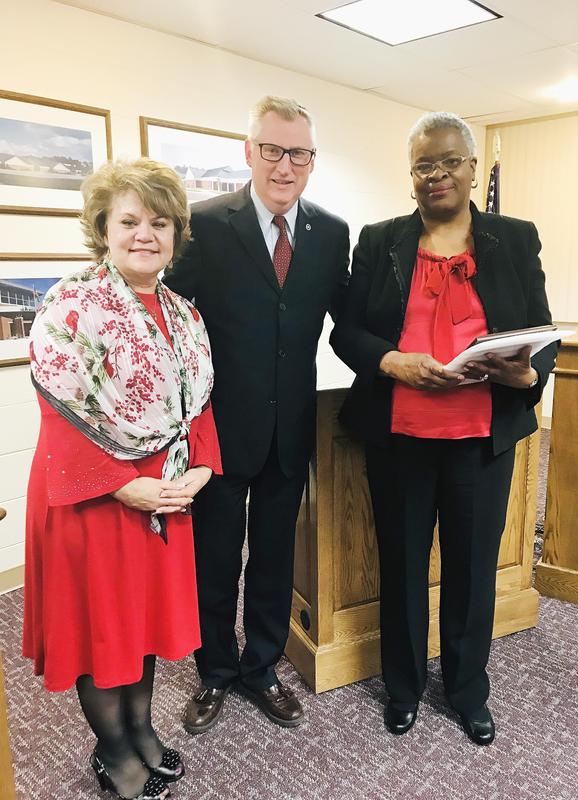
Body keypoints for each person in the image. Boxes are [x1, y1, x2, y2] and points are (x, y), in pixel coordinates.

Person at [330, 111, 556, 745]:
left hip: (482, 440)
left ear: (472, 168)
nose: (437, 175)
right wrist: (392, 359)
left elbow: (542, 331)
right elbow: (347, 331)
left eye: (450, 161)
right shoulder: (380, 242)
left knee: (472, 569)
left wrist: (525, 375)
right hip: (400, 436)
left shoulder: (513, 238)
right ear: (412, 175)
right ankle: (402, 688)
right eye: (424, 165)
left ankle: (465, 689)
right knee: (401, 567)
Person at [22, 158, 221, 799]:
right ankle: (112, 749)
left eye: (159, 222)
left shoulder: (184, 313)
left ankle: (141, 729)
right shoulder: (71, 304)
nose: (145, 234)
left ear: (175, 233)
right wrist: (117, 483)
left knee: (141, 628)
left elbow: (201, 405)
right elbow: (60, 414)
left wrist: (200, 468)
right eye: (129, 220)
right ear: (102, 228)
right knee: (101, 629)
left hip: (164, 495)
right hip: (93, 496)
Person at [164, 95, 349, 731]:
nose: (284, 165)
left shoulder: (331, 233)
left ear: (312, 161)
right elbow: (171, 326)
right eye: (272, 149)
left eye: (298, 153)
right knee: (215, 558)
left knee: (273, 558)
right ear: (249, 152)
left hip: (290, 430)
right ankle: (214, 671)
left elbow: (345, 321)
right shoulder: (206, 224)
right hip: (218, 432)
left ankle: (262, 666)